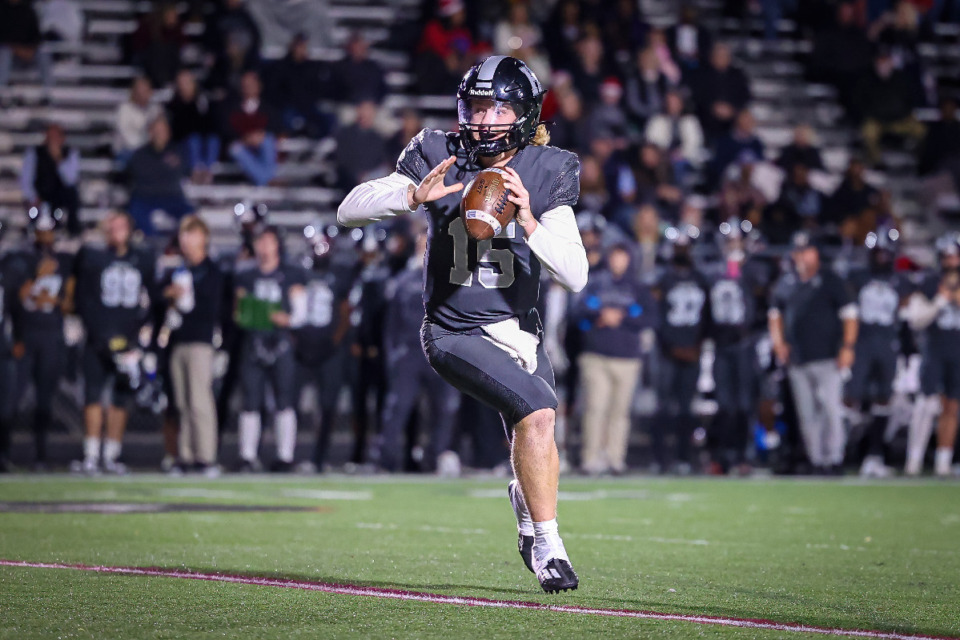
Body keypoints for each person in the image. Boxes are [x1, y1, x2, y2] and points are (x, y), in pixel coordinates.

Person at [338, 56, 587, 593]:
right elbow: (349, 209)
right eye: (476, 106)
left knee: (533, 434)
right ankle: (550, 546)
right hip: (453, 331)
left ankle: (527, 519)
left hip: (520, 329)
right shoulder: (438, 151)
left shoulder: (549, 168)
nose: (485, 118)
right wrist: (408, 196)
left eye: (498, 106)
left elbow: (576, 273)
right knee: (539, 415)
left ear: (523, 114)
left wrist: (528, 220)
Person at [71, 212, 155, 474]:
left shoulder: (142, 259)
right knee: (93, 395)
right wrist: (99, 335)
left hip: (127, 341)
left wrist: (136, 337)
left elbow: (151, 300)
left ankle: (111, 455)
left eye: (121, 225)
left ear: (130, 229)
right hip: (98, 338)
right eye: (113, 226)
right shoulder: (93, 257)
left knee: (120, 399)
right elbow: (82, 299)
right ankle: (91, 454)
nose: (117, 230)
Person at [769, 231, 858, 474]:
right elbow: (775, 314)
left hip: (828, 355)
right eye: (798, 252)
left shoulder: (831, 280)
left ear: (816, 253)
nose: (801, 256)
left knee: (830, 408)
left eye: (806, 251)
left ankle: (835, 458)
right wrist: (778, 343)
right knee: (807, 413)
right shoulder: (787, 282)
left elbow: (849, 314)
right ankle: (816, 460)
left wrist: (847, 347)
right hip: (798, 358)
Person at [377, 231, 462, 473]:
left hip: (442, 352)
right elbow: (390, 325)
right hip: (410, 354)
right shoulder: (403, 281)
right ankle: (387, 461)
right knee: (398, 408)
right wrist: (392, 356)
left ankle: (434, 459)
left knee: (445, 409)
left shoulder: (453, 279)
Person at [574, 242, 658, 475]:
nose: (618, 262)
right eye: (615, 257)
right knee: (595, 408)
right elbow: (578, 313)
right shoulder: (596, 283)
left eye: (622, 257)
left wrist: (621, 318)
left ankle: (615, 458)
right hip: (596, 355)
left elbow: (650, 318)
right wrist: (599, 315)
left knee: (619, 411)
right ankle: (591, 459)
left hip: (627, 358)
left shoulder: (638, 288)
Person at [233, 224, 306, 472]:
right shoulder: (245, 274)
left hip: (280, 342)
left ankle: (285, 456)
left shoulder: (291, 273)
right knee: (250, 401)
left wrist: (285, 318)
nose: (264, 246)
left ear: (277, 244)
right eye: (260, 241)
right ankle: (247, 455)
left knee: (284, 400)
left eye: (269, 241)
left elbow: (299, 314)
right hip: (254, 340)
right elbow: (238, 311)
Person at [9, 205, 74, 469]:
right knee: (12, 397)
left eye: (49, 231)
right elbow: (19, 297)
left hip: (51, 336)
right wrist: (38, 276)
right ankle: (5, 452)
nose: (46, 236)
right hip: (26, 334)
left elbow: (70, 303)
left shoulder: (65, 261)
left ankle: (41, 455)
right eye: (42, 230)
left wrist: (55, 300)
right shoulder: (20, 260)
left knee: (45, 398)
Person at [161, 215, 223, 475]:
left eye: (191, 234)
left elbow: (212, 306)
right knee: (182, 403)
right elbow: (159, 299)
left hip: (200, 341)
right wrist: (168, 294)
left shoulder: (211, 271)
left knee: (200, 400)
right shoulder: (177, 270)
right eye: (184, 234)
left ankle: (205, 456)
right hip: (178, 340)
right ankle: (184, 455)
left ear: (203, 238)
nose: (186, 240)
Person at [844, 228, 909, 478]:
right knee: (852, 398)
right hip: (861, 343)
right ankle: (844, 452)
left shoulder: (900, 281)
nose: (882, 257)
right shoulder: (857, 277)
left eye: (885, 252)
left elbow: (905, 316)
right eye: (878, 252)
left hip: (887, 344)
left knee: (884, 399)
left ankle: (874, 455)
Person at [294, 221, 352, 472]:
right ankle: (290, 456)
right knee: (289, 403)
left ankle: (319, 458)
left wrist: (334, 342)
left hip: (329, 349)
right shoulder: (298, 271)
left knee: (328, 405)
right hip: (301, 345)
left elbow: (345, 311)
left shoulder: (340, 272)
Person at [652, 230, 711, 474]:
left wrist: (697, 346)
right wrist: (672, 347)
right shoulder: (663, 279)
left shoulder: (701, 279)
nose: (682, 252)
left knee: (687, 408)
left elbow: (708, 317)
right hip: (668, 352)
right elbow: (656, 318)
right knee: (664, 407)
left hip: (692, 352)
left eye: (686, 247)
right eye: (679, 247)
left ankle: (684, 458)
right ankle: (660, 458)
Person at [902, 233, 960, 477]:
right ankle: (913, 459)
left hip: (957, 352)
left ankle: (943, 461)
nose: (951, 261)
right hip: (933, 351)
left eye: (955, 256)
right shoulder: (928, 281)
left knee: (952, 407)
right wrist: (940, 300)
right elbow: (915, 320)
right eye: (947, 256)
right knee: (925, 404)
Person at [126, 115, 194, 235]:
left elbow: (183, 172)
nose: (159, 134)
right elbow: (138, 174)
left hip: (172, 196)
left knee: (190, 215)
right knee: (135, 212)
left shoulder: (177, 152)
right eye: (156, 130)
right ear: (150, 132)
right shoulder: (140, 154)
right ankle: (149, 245)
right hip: (145, 197)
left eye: (162, 130)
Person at [20, 124, 81, 236]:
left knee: (73, 194)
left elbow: (70, 179)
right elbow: (26, 180)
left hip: (60, 196)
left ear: (63, 139)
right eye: (50, 137)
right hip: (40, 195)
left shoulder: (70, 153)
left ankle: (72, 231)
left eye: (56, 137)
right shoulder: (34, 153)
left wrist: (58, 159)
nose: (52, 140)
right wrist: (33, 197)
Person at [0, 0, 53, 96]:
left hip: (27, 56)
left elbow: (37, 37)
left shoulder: (28, 10)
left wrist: (30, 50)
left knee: (43, 51)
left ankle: (47, 93)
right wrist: (16, 49)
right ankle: (1, 91)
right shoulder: (2, 10)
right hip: (7, 58)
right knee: (5, 52)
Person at [114, 76, 162, 168]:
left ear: (150, 92)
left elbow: (161, 133)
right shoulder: (124, 109)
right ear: (133, 92)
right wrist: (148, 141)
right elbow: (127, 137)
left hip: (150, 150)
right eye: (139, 90)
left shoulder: (156, 109)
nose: (142, 93)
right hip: (127, 150)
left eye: (145, 90)